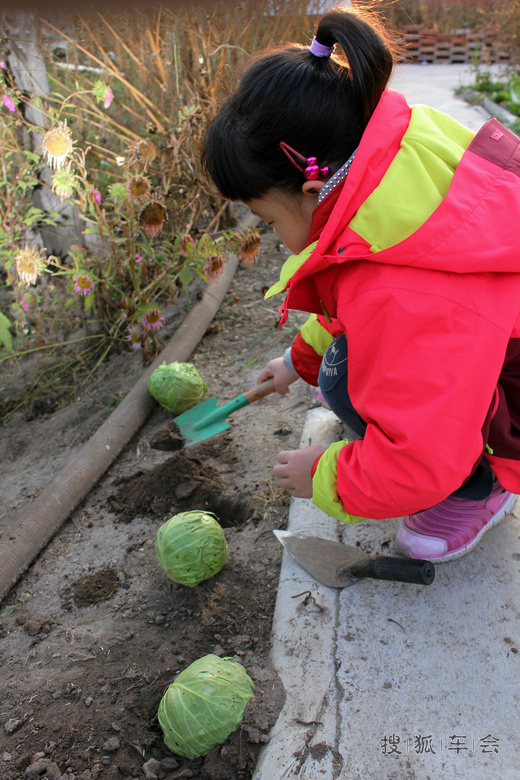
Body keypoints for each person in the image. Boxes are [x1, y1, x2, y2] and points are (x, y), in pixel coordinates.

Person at [202, 5, 520, 562]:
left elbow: (422, 454)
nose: (275, 237)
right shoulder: (392, 166)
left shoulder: (407, 290)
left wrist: (327, 475)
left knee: (346, 380)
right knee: (341, 367)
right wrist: (293, 362)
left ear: (309, 187)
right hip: (490, 337)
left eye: (269, 220)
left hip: (506, 385)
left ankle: (481, 483)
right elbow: (350, 297)